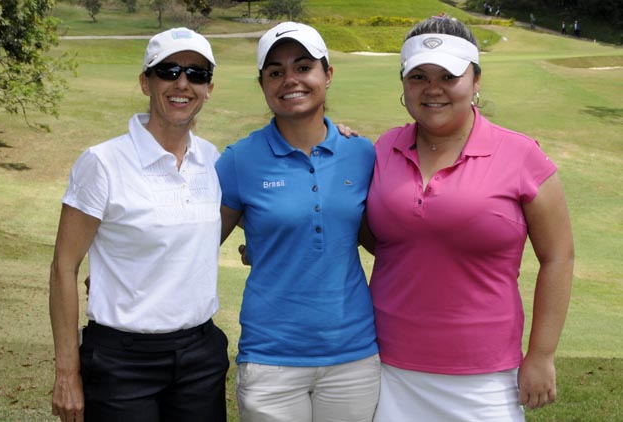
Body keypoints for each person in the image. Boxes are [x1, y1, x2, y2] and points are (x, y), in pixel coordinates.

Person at [364, 16, 574, 421]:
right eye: (419, 76)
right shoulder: (383, 148)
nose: (433, 89)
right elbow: (364, 229)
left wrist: (542, 353)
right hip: (386, 363)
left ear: (475, 81)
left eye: (448, 75)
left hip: (485, 375)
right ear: (404, 85)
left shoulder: (522, 155)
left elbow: (559, 256)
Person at [49, 27, 229, 421]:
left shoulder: (214, 161)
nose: (183, 83)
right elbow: (64, 266)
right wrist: (67, 372)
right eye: (169, 70)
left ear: (209, 88)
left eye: (196, 74)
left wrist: (333, 134)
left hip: (200, 356)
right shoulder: (102, 162)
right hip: (121, 364)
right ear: (146, 82)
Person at [216, 21, 380, 422]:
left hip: (354, 357)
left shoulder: (363, 153)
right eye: (275, 72)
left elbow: (381, 237)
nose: (290, 79)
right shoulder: (239, 160)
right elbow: (196, 238)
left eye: (303, 67)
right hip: (271, 359)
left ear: (327, 74)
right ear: (262, 84)